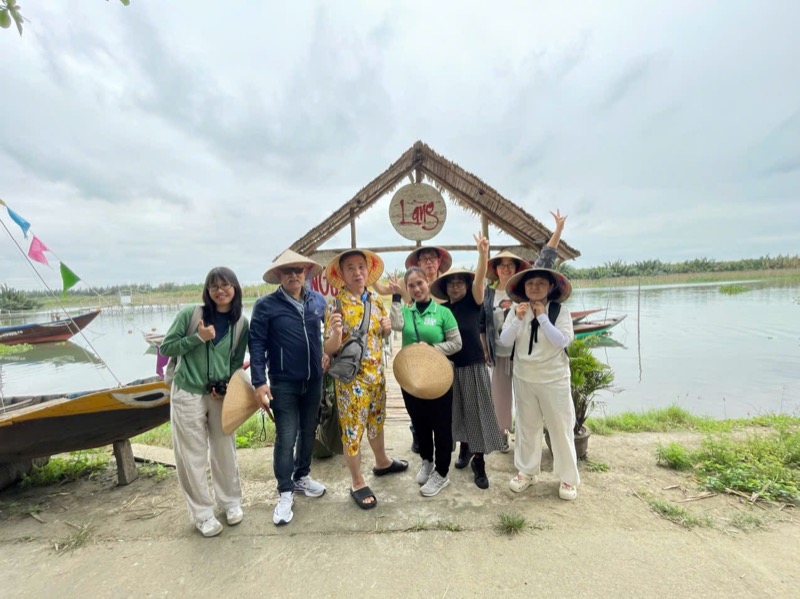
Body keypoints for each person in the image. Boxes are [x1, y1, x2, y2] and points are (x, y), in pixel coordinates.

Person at [160, 267, 249, 537]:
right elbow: (166, 348)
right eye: (214, 286)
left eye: (226, 285)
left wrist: (227, 387)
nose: (220, 291)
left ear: (235, 288)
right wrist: (198, 338)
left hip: (218, 395)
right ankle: (201, 513)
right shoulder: (191, 315)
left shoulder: (241, 323)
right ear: (207, 291)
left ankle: (230, 501)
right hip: (187, 389)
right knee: (192, 454)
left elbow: (235, 361)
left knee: (225, 448)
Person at [248, 249, 329, 527]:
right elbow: (256, 345)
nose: (294, 275)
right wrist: (259, 382)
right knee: (286, 436)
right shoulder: (265, 306)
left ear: (306, 273)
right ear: (279, 276)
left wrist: (326, 352)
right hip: (283, 383)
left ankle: (302, 476)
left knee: (308, 431)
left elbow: (324, 335)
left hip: (314, 379)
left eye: (299, 270)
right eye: (288, 271)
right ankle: (284, 491)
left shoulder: (318, 301)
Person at [323, 249, 408, 510]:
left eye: (361, 267)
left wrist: (385, 330)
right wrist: (336, 333)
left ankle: (381, 462)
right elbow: (329, 349)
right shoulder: (335, 304)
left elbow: (382, 335)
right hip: (351, 381)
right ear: (341, 274)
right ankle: (357, 481)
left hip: (376, 375)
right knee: (352, 431)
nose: (357, 272)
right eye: (351, 268)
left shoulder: (375, 299)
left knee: (376, 421)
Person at [481, 210, 567, 451]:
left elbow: (546, 260)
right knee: (499, 395)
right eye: (502, 266)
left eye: (510, 266)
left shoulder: (523, 289)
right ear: (495, 269)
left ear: (516, 269)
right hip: (499, 351)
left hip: (523, 350)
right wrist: (484, 348)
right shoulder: (488, 293)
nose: (506, 269)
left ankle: (529, 436)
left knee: (525, 395)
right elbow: (482, 324)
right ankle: (501, 434)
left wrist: (557, 231)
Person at [429, 234, 504, 489]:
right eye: (451, 284)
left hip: (473, 366)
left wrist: (483, 253)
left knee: (477, 413)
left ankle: (479, 462)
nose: (455, 287)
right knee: (456, 413)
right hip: (450, 369)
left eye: (460, 282)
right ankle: (464, 448)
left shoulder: (474, 302)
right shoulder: (444, 310)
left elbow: (481, 277)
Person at [498, 267, 579, 500]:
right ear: (523, 288)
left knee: (560, 428)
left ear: (550, 287)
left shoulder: (559, 312)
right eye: (530, 283)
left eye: (540, 283)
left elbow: (562, 340)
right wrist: (518, 319)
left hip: (554, 378)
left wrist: (542, 316)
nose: (534, 287)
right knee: (526, 427)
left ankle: (568, 478)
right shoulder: (516, 311)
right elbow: (504, 341)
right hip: (524, 377)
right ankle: (527, 471)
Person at [390, 266, 462, 497]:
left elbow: (456, 343)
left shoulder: (443, 313)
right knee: (419, 423)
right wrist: (394, 296)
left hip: (439, 378)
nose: (416, 288)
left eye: (420, 283)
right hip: (411, 379)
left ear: (428, 282)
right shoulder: (407, 312)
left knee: (441, 426)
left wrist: (431, 349)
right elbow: (395, 325)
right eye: (411, 285)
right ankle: (427, 461)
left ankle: (442, 473)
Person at [376, 245, 453, 453]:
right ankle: (420, 438)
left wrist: (433, 347)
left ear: (439, 261)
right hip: (413, 358)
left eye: (432, 258)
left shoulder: (447, 284)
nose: (428, 262)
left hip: (441, 360)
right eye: (424, 258)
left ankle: (443, 455)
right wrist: (373, 275)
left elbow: (455, 336)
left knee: (442, 412)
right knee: (416, 405)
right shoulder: (408, 289)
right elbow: (395, 316)